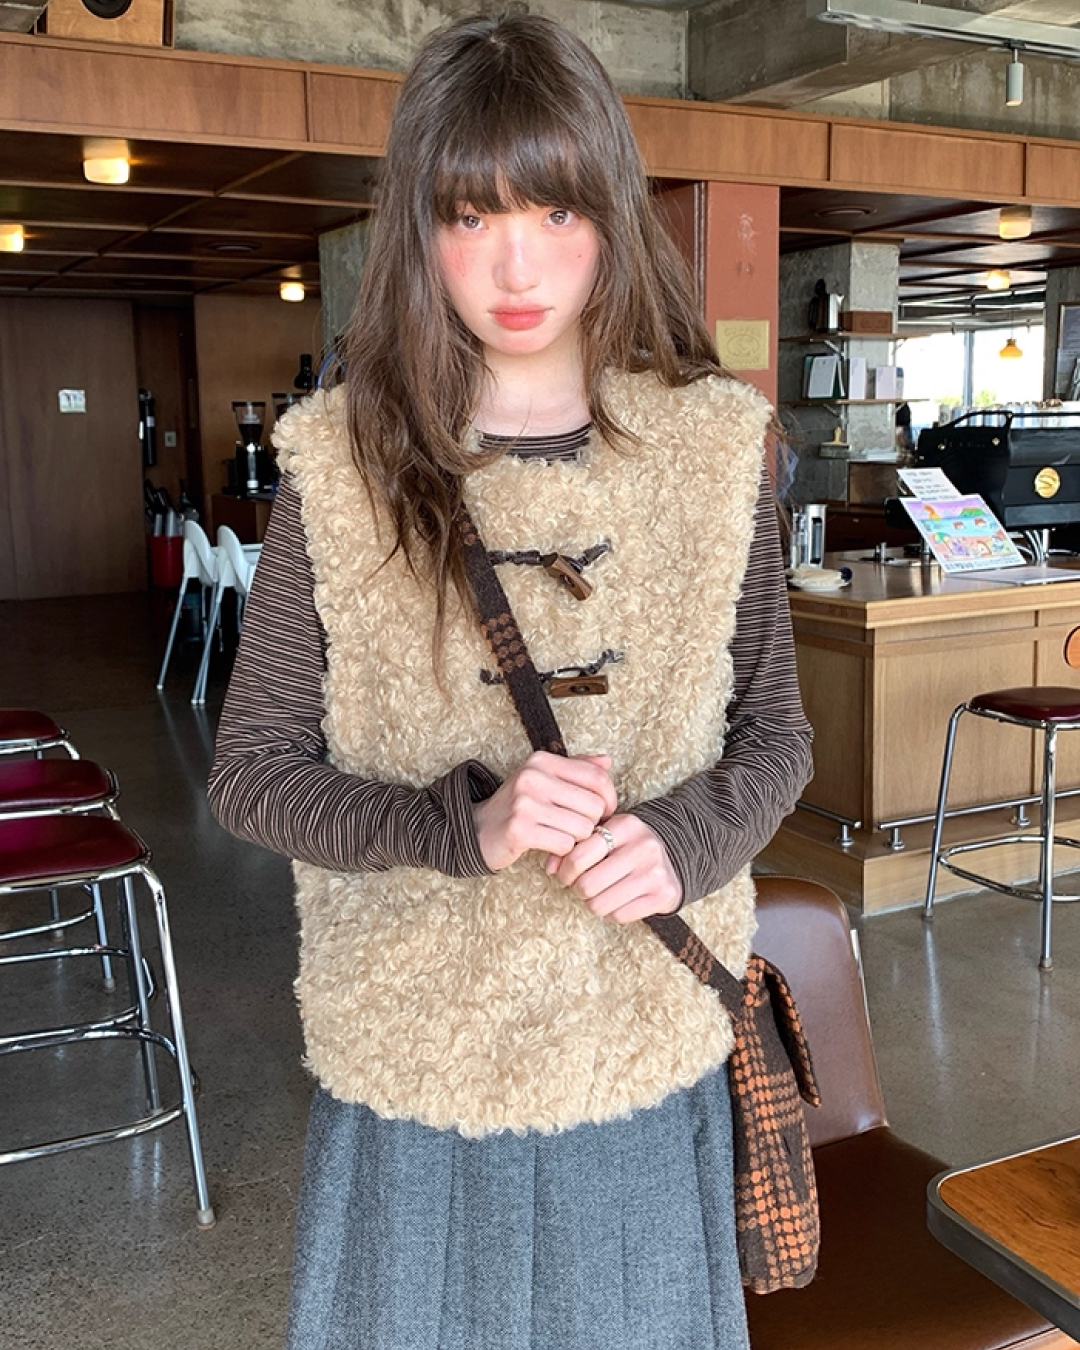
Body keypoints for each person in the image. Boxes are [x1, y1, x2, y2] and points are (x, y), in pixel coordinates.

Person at [208, 13, 813, 1349]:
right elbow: (250, 775)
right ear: (418, 230)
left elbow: (777, 736)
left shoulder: (716, 452)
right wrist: (460, 827)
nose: (517, 264)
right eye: (470, 215)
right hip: (419, 1056)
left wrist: (684, 839)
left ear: (611, 212)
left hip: (637, 1035)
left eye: (555, 208)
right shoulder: (341, 467)